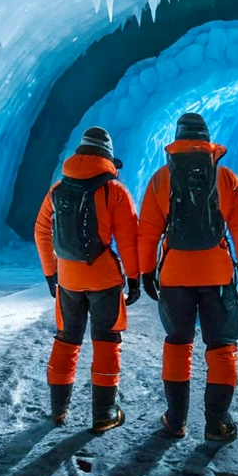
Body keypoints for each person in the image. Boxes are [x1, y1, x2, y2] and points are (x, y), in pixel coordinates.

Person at [138, 112, 238, 442]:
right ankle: (217, 422)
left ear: (176, 139)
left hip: (174, 275)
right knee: (221, 347)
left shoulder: (162, 178)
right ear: (207, 140)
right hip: (217, 276)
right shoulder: (227, 178)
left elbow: (147, 233)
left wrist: (146, 272)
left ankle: (176, 420)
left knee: (178, 345)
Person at [35, 126, 141, 433]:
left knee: (67, 339)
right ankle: (104, 413)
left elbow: (42, 230)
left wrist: (50, 271)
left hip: (68, 278)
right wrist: (133, 279)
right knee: (106, 341)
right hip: (104, 278)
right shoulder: (113, 191)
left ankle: (58, 411)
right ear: (106, 157)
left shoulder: (58, 190)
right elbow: (129, 239)